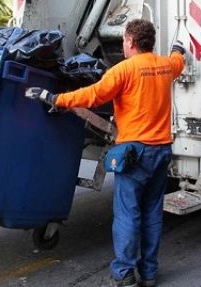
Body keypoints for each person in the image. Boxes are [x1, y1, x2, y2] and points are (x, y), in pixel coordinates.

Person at [26, 19, 185, 287]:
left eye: (124, 40)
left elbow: (92, 96)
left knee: (128, 214)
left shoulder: (122, 71)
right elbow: (178, 60)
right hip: (162, 152)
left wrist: (54, 99)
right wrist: (179, 48)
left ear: (131, 42)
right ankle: (148, 273)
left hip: (134, 154)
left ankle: (124, 275)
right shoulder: (165, 66)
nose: (123, 45)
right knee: (152, 214)